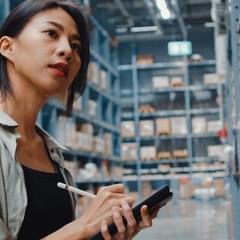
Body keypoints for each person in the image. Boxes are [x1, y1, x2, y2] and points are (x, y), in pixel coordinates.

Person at [0, 0, 160, 239]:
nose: (67, 50)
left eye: (76, 46)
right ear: (7, 47)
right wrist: (84, 225)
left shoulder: (52, 153)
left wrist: (101, 234)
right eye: (51, 33)